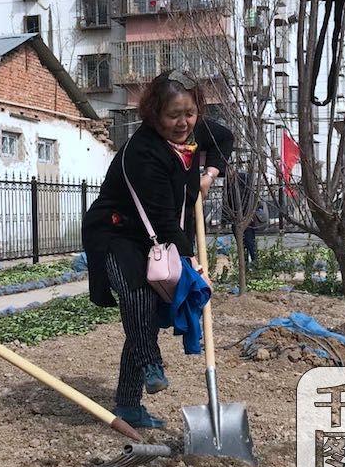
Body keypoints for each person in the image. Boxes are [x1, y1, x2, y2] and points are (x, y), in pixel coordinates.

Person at [82, 70, 233, 428]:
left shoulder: (196, 132)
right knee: (138, 298)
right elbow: (164, 219)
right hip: (117, 234)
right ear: (154, 114)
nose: (183, 123)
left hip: (155, 235)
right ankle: (150, 363)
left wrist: (208, 175)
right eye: (173, 115)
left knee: (147, 316)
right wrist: (191, 260)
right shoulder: (144, 153)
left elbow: (224, 138)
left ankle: (129, 404)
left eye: (190, 113)